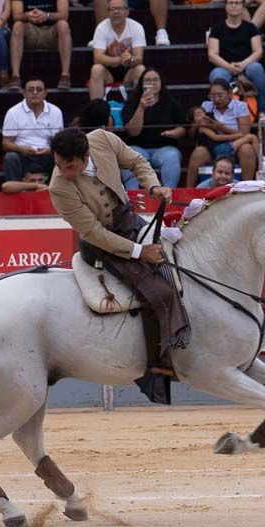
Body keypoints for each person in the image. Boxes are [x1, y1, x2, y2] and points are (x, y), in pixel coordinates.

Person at [48, 126, 183, 404]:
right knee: (161, 292)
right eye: (58, 164)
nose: (62, 171)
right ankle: (157, 368)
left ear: (86, 154)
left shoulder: (103, 139)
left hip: (129, 221)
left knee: (181, 264)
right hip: (104, 246)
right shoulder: (59, 187)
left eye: (69, 165)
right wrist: (139, 252)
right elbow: (95, 233)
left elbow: (136, 161)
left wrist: (152, 185)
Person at [8, 0, 71, 91]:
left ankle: (65, 75)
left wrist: (46, 15)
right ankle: (15, 76)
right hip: (30, 32)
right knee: (18, 25)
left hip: (51, 32)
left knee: (63, 24)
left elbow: (64, 14)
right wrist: (27, 15)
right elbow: (16, 15)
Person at [185, 78, 258, 186]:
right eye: (212, 96)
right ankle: (189, 192)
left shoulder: (240, 106)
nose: (216, 99)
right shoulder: (206, 106)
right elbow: (202, 131)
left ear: (229, 93)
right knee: (198, 153)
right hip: (213, 146)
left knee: (247, 149)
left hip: (236, 145)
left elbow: (244, 132)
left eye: (220, 95)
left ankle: (246, 188)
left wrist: (220, 127)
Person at [122, 68, 185, 188]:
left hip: (164, 149)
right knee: (129, 156)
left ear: (161, 83)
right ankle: (132, 197)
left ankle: (168, 196)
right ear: (141, 84)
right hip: (138, 147)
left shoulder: (171, 103)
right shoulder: (132, 103)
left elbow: (182, 128)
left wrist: (174, 133)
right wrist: (141, 107)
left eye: (155, 80)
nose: (152, 83)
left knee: (172, 156)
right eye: (148, 80)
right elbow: (132, 132)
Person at [207, 0, 265, 115]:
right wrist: (229, 67)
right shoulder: (217, 28)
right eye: (231, 3)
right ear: (226, 7)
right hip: (225, 67)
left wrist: (243, 64)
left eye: (237, 3)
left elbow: (258, 51)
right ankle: (223, 114)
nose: (234, 5)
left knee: (257, 68)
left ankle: (262, 111)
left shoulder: (251, 28)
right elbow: (212, 54)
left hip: (247, 66)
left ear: (242, 7)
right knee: (216, 75)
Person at [1, 76, 62, 183]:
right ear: (24, 93)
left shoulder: (55, 111)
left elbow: (59, 143)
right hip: (22, 155)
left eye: (39, 90)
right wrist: (20, 149)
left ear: (45, 93)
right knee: (10, 157)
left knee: (60, 156)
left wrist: (49, 150)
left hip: (46, 155)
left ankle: (53, 192)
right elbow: (6, 143)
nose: (35, 92)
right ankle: (15, 193)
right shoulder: (13, 112)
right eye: (30, 90)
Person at [88, 0, 145, 100]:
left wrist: (130, 59)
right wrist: (120, 60)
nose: (116, 12)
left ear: (127, 12)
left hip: (129, 70)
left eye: (120, 9)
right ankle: (97, 111)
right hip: (108, 72)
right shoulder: (101, 28)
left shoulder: (136, 27)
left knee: (140, 69)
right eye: (112, 9)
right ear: (108, 13)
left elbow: (139, 58)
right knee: (96, 69)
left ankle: (138, 109)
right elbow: (97, 58)